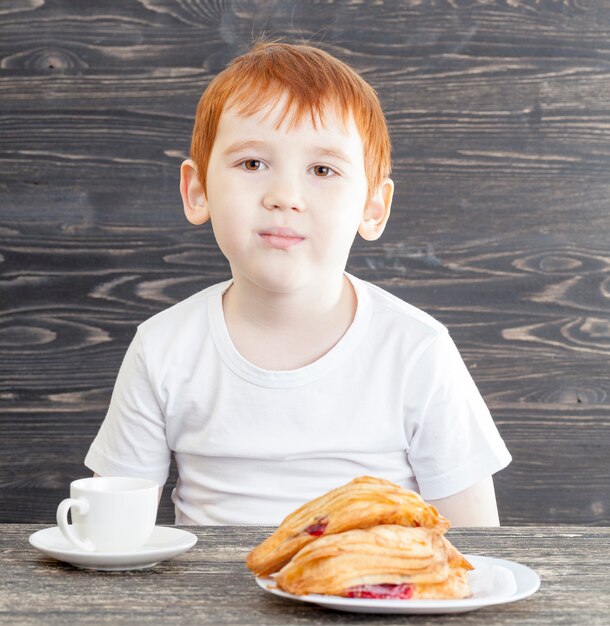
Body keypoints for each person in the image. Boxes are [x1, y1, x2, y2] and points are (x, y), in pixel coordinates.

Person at [85, 37, 511, 527]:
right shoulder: (163, 347)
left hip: (372, 596)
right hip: (206, 600)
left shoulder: (416, 349)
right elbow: (110, 528)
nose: (285, 195)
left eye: (323, 169)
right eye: (252, 163)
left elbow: (479, 542)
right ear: (197, 190)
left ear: (373, 208)